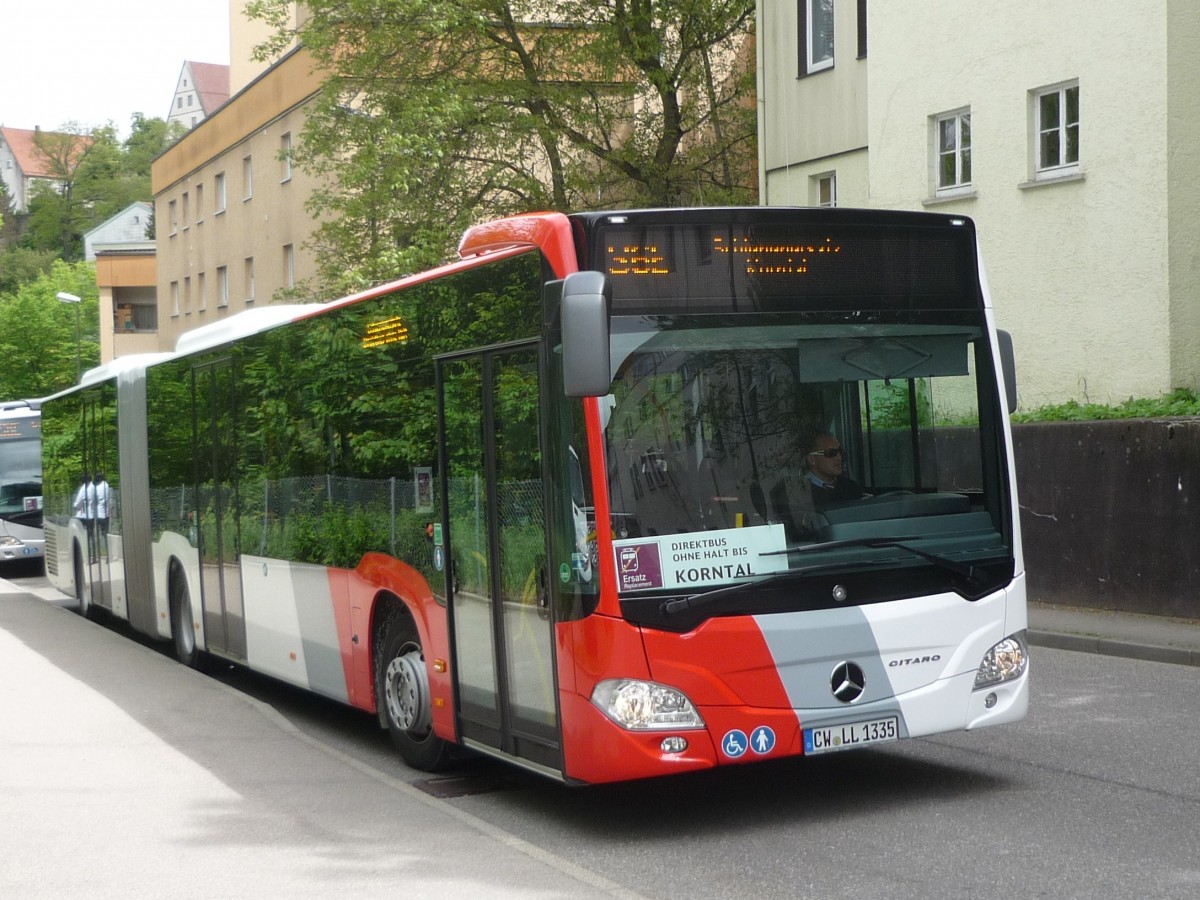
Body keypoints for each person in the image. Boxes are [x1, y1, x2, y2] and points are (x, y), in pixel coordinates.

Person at [804, 432, 866, 510]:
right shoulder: (799, 492)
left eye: (840, 452)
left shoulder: (850, 487)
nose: (839, 458)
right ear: (812, 459)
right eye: (831, 453)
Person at [92, 472, 111, 558]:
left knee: (97, 534)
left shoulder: (97, 488)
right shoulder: (106, 485)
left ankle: (97, 553)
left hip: (98, 514)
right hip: (106, 514)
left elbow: (94, 500)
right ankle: (108, 553)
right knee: (105, 533)